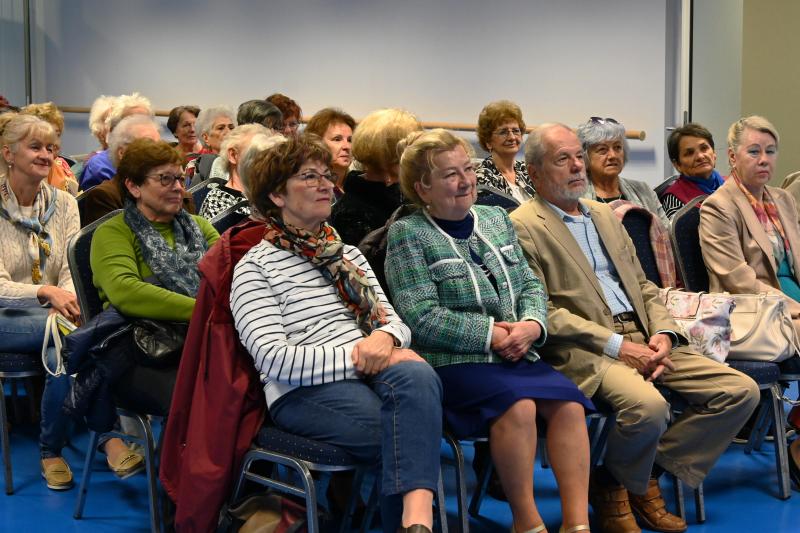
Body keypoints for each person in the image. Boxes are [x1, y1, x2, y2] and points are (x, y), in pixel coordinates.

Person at [510, 123, 760, 533]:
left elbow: (643, 286)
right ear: (534, 173)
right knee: (649, 407)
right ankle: (624, 487)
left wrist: (664, 334)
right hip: (587, 349)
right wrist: (617, 346)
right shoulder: (523, 224)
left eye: (577, 156)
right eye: (563, 159)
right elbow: (544, 311)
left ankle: (628, 480)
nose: (577, 167)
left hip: (646, 336)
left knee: (739, 392)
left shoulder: (604, 215)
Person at [230, 134, 442, 533]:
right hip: (304, 392)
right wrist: (363, 354)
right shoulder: (254, 269)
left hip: (370, 372)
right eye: (309, 176)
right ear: (277, 195)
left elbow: (395, 324)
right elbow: (275, 359)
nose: (327, 184)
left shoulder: (347, 255)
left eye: (327, 176)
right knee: (403, 433)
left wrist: (385, 341)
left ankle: (415, 524)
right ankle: (418, 524)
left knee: (418, 377)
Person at [385, 129, 593, 533]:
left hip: (518, 350)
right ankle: (527, 523)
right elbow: (420, 316)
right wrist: (491, 335)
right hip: (456, 362)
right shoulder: (408, 233)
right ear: (422, 188)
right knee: (519, 406)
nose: (465, 181)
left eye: (468, 169)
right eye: (450, 175)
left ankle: (576, 524)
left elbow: (532, 284)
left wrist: (532, 325)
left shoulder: (496, 218)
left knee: (570, 406)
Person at [0, 114, 140, 489]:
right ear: (7, 154)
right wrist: (46, 293)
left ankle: (58, 449)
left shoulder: (63, 202)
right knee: (77, 332)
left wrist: (66, 295)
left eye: (51, 148)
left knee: (65, 339)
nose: (46, 155)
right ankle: (102, 440)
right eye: (35, 147)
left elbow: (69, 268)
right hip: (6, 314)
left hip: (53, 314)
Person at [89, 139, 219, 417]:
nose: (177, 187)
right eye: (164, 179)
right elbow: (127, 292)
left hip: (202, 339)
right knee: (206, 399)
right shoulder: (113, 232)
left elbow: (232, 277)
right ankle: (179, 460)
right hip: (142, 348)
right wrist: (205, 311)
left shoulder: (201, 227)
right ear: (134, 186)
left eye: (179, 177)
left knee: (255, 386)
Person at [330, 108, 422, 245]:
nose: (418, 156)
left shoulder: (412, 194)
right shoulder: (350, 211)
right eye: (413, 148)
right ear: (393, 153)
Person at [576, 117, 668, 228]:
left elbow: (665, 233)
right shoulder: (576, 196)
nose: (613, 155)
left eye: (617, 147)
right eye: (602, 150)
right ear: (585, 156)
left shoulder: (643, 190)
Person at [81, 115, 170, 225]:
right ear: (122, 153)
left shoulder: (173, 189)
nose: (158, 153)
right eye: (149, 146)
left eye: (159, 146)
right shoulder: (104, 196)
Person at [198, 123, 272, 220]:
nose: (267, 160)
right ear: (233, 155)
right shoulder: (218, 202)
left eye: (269, 153)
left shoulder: (272, 194)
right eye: (255, 153)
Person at [81, 92, 154, 189]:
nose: (142, 129)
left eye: (145, 122)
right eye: (133, 123)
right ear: (115, 128)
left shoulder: (158, 161)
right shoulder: (99, 167)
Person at [660, 123, 725, 219]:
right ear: (677, 165)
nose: (700, 156)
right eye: (689, 153)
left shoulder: (732, 185)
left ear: (714, 153)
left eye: (704, 148)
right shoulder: (674, 201)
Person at [475, 100, 535, 202]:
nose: (512, 137)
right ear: (488, 142)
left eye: (516, 131)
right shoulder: (482, 178)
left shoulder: (526, 170)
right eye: (503, 132)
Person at [20, 102, 79, 195]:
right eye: (47, 136)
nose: (54, 142)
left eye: (57, 135)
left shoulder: (63, 167)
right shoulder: (19, 172)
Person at [304, 107, 356, 196]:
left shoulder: (359, 184)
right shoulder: (310, 187)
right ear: (317, 143)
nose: (347, 146)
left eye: (350, 140)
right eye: (337, 139)